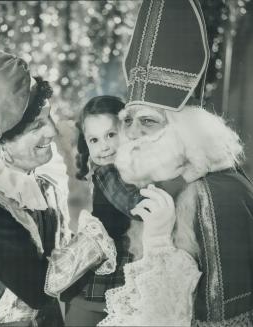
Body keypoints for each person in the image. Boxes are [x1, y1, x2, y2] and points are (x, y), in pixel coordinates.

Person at [0, 51, 114, 327]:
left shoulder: (33, 183)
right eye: (37, 125)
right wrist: (107, 223)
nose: (51, 131)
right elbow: (40, 288)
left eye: (49, 116)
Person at [95, 0, 253, 326]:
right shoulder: (165, 180)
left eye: (149, 122)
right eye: (128, 121)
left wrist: (157, 244)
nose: (134, 134)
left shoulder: (217, 195)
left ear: (187, 132)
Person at [60, 96, 133, 326]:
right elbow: (134, 205)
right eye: (94, 140)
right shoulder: (106, 172)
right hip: (103, 276)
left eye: (111, 135)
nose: (104, 146)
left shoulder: (126, 168)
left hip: (121, 268)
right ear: (86, 144)